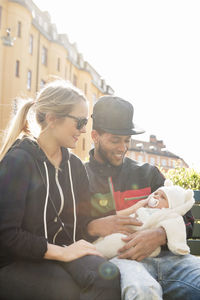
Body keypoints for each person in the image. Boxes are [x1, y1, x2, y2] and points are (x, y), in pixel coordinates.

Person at [0, 81, 121, 300]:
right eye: (80, 122)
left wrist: (119, 220)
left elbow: (83, 222)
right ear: (52, 118)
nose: (84, 130)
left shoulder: (75, 167)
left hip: (64, 254)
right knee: (65, 290)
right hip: (17, 261)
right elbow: (7, 235)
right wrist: (63, 252)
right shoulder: (18, 161)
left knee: (108, 275)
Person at [85, 95, 200, 300]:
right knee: (143, 292)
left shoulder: (148, 173)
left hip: (171, 260)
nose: (123, 148)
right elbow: (70, 230)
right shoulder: (79, 177)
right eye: (115, 140)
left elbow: (187, 218)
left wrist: (160, 234)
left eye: (127, 141)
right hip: (120, 264)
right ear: (95, 136)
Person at [93, 179, 195, 259]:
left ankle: (95, 251)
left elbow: (182, 219)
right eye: (155, 194)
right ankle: (94, 251)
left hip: (163, 254)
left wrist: (162, 234)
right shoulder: (84, 177)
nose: (155, 197)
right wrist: (133, 210)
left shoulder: (150, 173)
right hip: (125, 251)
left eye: (162, 197)